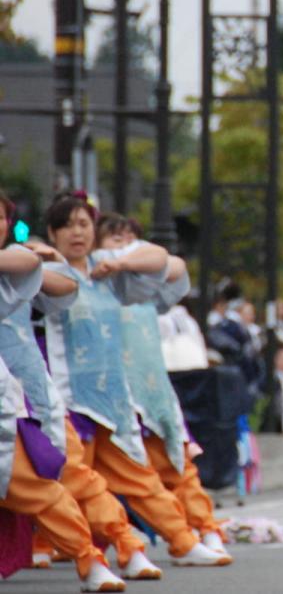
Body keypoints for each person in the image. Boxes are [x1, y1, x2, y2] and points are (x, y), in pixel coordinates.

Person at [40, 193, 229, 569]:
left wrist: (120, 262)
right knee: (76, 483)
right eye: (66, 225)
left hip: (115, 398)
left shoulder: (109, 269)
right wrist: (42, 255)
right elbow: (44, 279)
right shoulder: (50, 273)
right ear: (52, 232)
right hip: (70, 401)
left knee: (141, 478)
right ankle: (113, 549)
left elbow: (165, 261)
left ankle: (181, 540)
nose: (76, 233)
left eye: (84, 224)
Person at [0, 234, 128, 592]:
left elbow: (36, 270)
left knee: (43, 483)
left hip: (31, 401)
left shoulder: (13, 267)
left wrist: (48, 254)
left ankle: (96, 554)